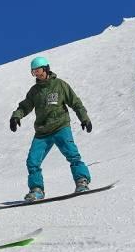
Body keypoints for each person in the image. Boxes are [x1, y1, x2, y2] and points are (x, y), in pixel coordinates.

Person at [9, 56, 92, 201]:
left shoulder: (60, 85)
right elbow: (25, 106)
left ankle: (82, 181)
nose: (37, 74)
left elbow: (76, 103)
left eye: (38, 70)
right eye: (33, 72)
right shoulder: (34, 91)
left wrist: (84, 118)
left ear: (46, 69)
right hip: (42, 132)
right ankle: (37, 190)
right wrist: (16, 116)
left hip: (61, 126)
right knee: (32, 161)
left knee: (73, 155)